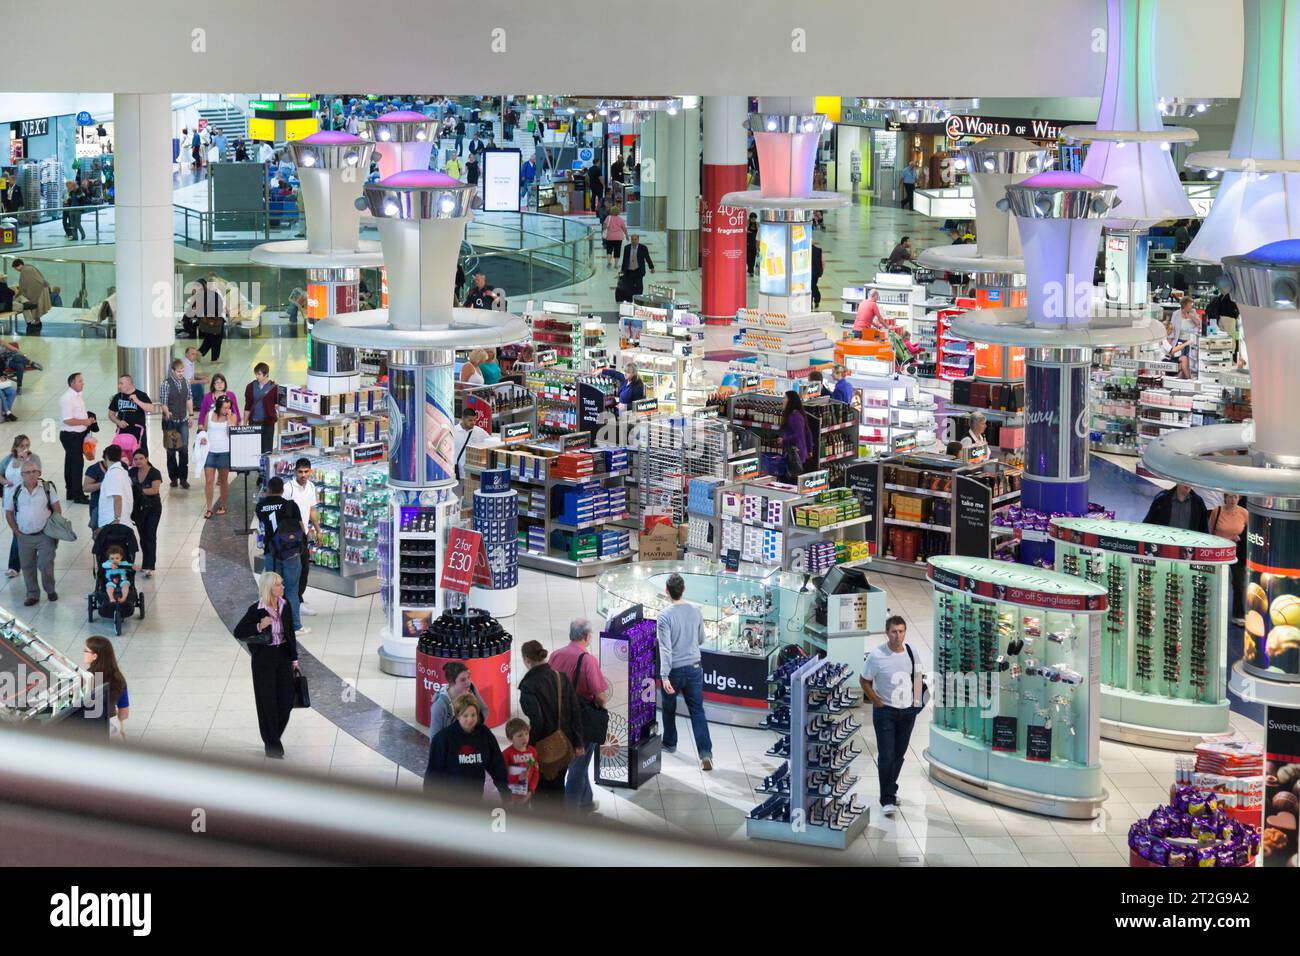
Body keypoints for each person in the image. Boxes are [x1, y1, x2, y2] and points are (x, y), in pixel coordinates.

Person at [860, 615, 926, 817]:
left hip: (908, 711)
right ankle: (887, 798)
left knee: (898, 755)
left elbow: (918, 676)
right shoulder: (876, 656)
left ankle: (891, 788)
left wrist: (915, 703)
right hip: (885, 712)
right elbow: (864, 681)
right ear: (886, 633)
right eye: (894, 632)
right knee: (887, 756)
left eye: (901, 631)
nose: (898, 636)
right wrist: (877, 702)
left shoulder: (911, 651)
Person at [234, 571, 300, 758]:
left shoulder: (285, 605)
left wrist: (294, 659)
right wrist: (260, 626)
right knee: (267, 702)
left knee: (286, 700)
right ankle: (272, 745)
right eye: (278, 584)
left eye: (282, 583)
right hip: (264, 659)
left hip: (283, 655)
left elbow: (291, 635)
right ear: (268, 588)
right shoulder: (257, 609)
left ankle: (272, 737)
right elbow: (239, 631)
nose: (282, 587)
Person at [551, 617, 610, 813]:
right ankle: (571, 812)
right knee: (577, 767)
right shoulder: (588, 661)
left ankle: (586, 802)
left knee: (580, 764)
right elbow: (601, 696)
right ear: (586, 636)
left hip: (560, 717)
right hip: (581, 722)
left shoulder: (556, 656)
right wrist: (597, 702)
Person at [657, 573, 714, 770]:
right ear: (684, 589)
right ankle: (705, 753)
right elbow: (701, 639)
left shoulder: (664, 616)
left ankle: (670, 743)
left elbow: (665, 648)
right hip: (695, 667)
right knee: (697, 710)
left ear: (667, 591)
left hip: (674, 671)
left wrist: (664, 676)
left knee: (669, 707)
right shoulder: (696, 611)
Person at [518, 639, 584, 798]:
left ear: (527, 660)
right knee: (558, 787)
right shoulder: (560, 677)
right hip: (564, 743)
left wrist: (529, 745)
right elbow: (575, 710)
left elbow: (538, 720)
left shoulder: (528, 686)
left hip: (543, 747)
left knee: (539, 788)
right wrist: (578, 742)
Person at [423, 694, 509, 801]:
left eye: (473, 715)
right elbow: (433, 773)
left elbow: (497, 765)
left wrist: (506, 792)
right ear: (458, 716)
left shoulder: (485, 735)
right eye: (465, 716)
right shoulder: (443, 739)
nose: (470, 719)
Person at [6, 459, 62, 607]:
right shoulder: (15, 491)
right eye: (28, 472)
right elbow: (9, 513)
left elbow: (57, 509)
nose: (31, 475)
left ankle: (50, 590)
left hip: (45, 535)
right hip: (24, 536)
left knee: (45, 564)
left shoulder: (47, 487)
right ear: (22, 475)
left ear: (38, 473)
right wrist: (16, 532)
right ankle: (32, 594)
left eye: (34, 472)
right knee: (27, 566)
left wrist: (54, 530)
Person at [254, 476, 307, 634]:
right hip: (290, 553)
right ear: (283, 490)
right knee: (291, 589)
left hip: (271, 552)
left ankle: (274, 623)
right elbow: (301, 529)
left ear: (268, 489)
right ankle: (296, 626)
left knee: (272, 590)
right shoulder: (290, 505)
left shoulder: (260, 507)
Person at [282, 458, 319, 617]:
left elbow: (311, 510)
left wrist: (318, 529)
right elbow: (280, 511)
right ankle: (293, 600)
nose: (303, 475)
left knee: (304, 568)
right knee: (293, 569)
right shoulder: (288, 488)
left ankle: (298, 598)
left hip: (302, 535)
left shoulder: (311, 486)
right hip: (289, 536)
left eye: (306, 472)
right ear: (295, 472)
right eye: (300, 472)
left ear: (310, 472)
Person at [1, 435, 40, 578]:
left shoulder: (34, 459)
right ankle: (15, 566)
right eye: (22, 446)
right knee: (16, 532)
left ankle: (25, 562)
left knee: (29, 530)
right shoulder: (8, 460)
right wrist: (6, 481)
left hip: (28, 500)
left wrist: (26, 463)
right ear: (16, 447)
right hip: (11, 500)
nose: (25, 448)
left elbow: (38, 474)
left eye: (27, 445)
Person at [1210, 492, 1249, 624]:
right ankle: (1212, 613)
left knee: (1239, 582)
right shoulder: (1217, 511)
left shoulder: (1244, 513)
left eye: (1235, 497)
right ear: (1225, 498)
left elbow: (1248, 532)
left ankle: (1238, 615)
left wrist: (1240, 539)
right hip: (1219, 551)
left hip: (1236, 552)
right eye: (1230, 497)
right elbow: (1211, 531)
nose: (1233, 500)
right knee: (1215, 582)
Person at [83, 636, 129, 738]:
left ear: (95, 656)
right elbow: (124, 713)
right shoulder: (119, 678)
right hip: (112, 728)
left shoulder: (87, 679)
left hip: (90, 729)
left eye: (86, 651)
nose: (84, 653)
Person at [58, 372, 94, 502]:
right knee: (77, 465)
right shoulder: (67, 398)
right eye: (80, 381)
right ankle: (78, 495)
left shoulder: (77, 396)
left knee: (70, 464)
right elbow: (67, 420)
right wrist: (84, 422)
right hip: (71, 436)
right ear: (72, 383)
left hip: (77, 434)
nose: (83, 383)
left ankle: (71, 492)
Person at [158, 359, 194, 489]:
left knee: (183, 450)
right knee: (171, 451)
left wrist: (190, 415)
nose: (181, 373)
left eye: (182, 371)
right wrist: (167, 413)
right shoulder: (166, 384)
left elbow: (189, 399)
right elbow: (163, 402)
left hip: (183, 421)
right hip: (171, 422)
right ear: (172, 371)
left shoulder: (186, 382)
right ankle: (173, 478)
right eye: (179, 371)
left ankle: (183, 478)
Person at [198, 394, 234, 519]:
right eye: (224, 408)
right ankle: (209, 508)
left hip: (224, 452)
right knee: (209, 481)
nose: (227, 410)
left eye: (228, 407)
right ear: (218, 407)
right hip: (210, 451)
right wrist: (202, 437)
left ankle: (223, 505)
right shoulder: (210, 414)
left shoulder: (231, 416)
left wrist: (229, 419)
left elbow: (232, 433)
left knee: (223, 481)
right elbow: (205, 430)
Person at [428, 660, 490, 732]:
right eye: (463, 680)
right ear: (452, 682)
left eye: (469, 677)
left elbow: (484, 711)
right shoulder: (439, 705)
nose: (468, 682)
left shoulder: (471, 688)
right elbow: (434, 738)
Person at [129, 450, 162, 578]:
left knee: (150, 535)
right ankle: (145, 563)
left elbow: (154, 490)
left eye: (141, 458)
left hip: (152, 508)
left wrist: (138, 491)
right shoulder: (131, 472)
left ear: (146, 459)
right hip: (138, 509)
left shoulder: (155, 472)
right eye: (135, 459)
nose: (138, 461)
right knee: (143, 537)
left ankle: (150, 566)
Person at [107, 374, 156, 458]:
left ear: (129, 384)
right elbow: (111, 414)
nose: (119, 386)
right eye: (119, 383)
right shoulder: (117, 397)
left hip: (138, 432)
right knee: (123, 457)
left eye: (121, 383)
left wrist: (137, 401)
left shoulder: (141, 395)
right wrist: (118, 422)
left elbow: (151, 409)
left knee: (142, 457)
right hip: (122, 432)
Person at [96, 444, 133, 532]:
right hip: (122, 521)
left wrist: (117, 519)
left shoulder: (113, 474)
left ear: (106, 457)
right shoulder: (123, 473)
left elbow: (117, 497)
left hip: (113, 523)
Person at [1144, 482, 1209, 532]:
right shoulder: (1162, 498)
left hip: (1188, 547)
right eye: (1184, 480)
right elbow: (1148, 522)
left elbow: (1204, 528)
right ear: (1177, 480)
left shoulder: (1198, 502)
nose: (1188, 483)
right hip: (1164, 545)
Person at [243, 362, 278, 453]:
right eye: (256, 374)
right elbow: (247, 406)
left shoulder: (274, 387)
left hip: (268, 423)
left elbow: (278, 404)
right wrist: (245, 422)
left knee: (267, 450)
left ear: (266, 374)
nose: (257, 376)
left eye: (259, 374)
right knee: (254, 449)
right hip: (254, 422)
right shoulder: (250, 387)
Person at [779, 390, 812, 480]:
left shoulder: (794, 416)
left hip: (795, 455)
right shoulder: (797, 414)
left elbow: (798, 435)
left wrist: (784, 440)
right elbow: (807, 432)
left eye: (785, 398)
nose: (783, 400)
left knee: (791, 481)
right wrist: (809, 449)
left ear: (790, 401)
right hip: (798, 453)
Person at [194, 276, 228, 361]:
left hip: (217, 319)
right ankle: (214, 359)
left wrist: (225, 308)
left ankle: (200, 353)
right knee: (216, 339)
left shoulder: (217, 292)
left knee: (210, 338)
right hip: (214, 320)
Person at [12, 259, 51, 331]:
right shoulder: (29, 268)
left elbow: (29, 284)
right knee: (36, 309)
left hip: (37, 291)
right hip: (41, 289)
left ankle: (36, 322)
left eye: (15, 268)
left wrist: (25, 293)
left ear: (19, 265)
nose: (16, 270)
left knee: (32, 306)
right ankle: (37, 322)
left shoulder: (25, 271)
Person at [451, 408, 489, 481]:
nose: (473, 423)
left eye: (475, 420)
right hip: (456, 473)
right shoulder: (453, 431)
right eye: (470, 420)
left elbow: (490, 442)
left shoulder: (479, 432)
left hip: (472, 474)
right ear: (463, 418)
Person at [82, 446, 111, 534]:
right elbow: (86, 488)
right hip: (97, 506)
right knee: (98, 533)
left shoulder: (120, 468)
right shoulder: (94, 469)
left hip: (113, 507)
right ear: (105, 458)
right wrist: (103, 484)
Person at [619, 234, 655, 299]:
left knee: (639, 287)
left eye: (635, 239)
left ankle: (638, 299)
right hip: (629, 271)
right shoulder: (627, 248)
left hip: (638, 270)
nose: (634, 241)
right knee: (629, 287)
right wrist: (622, 272)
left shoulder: (643, 248)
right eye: (632, 239)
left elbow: (647, 258)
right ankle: (630, 299)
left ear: (638, 240)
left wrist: (651, 267)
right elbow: (624, 261)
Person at [101, 544, 133, 609]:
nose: (114, 560)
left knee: (126, 584)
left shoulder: (124, 563)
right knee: (109, 587)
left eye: (117, 558)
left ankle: (124, 598)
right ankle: (111, 598)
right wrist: (110, 565)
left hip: (122, 580)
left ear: (121, 557)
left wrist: (134, 567)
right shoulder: (107, 563)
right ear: (109, 558)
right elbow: (103, 565)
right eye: (112, 558)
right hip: (111, 581)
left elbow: (130, 566)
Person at [603, 203, 628, 267]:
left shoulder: (608, 218)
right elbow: (624, 228)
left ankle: (608, 262)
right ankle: (616, 265)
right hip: (618, 238)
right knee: (617, 251)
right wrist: (627, 235)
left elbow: (604, 226)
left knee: (609, 250)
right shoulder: (620, 219)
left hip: (610, 237)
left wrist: (606, 228)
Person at [811, 240, 824, 309]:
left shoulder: (806, 250)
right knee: (813, 286)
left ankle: (811, 301)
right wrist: (821, 271)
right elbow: (822, 262)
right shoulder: (819, 250)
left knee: (810, 286)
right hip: (816, 272)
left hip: (809, 272)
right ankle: (817, 300)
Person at [746, 213, 759, 277]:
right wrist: (747, 232)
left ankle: (751, 271)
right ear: (750, 218)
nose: (754, 220)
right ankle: (749, 269)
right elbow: (743, 231)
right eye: (752, 218)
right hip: (747, 242)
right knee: (748, 257)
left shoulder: (757, 224)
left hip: (754, 242)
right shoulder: (746, 223)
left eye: (755, 218)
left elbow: (759, 233)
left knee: (753, 257)